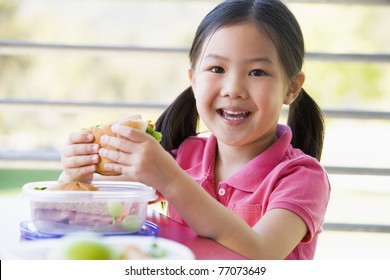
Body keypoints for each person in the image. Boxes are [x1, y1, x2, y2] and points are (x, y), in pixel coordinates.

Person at [60, 0, 330, 260]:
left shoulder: (302, 178)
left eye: (257, 72)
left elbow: (260, 253)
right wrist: (76, 174)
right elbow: (80, 209)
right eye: (216, 68)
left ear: (292, 87)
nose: (233, 88)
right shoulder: (184, 157)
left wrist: (170, 179)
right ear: (194, 81)